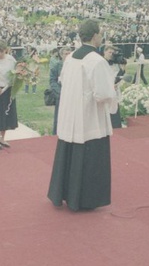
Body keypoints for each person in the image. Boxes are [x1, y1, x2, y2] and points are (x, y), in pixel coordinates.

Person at [48, 19, 119, 211]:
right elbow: (103, 94)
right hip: (88, 118)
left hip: (71, 114)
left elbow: (63, 80)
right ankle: (84, 199)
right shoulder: (96, 61)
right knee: (88, 155)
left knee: (70, 153)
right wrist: (115, 89)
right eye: (101, 33)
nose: (102, 37)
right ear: (95, 35)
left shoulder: (71, 57)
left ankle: (62, 193)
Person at [49, 46, 71, 135]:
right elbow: (52, 81)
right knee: (59, 117)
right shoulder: (57, 66)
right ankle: (57, 134)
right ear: (61, 55)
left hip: (73, 95)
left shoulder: (75, 66)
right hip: (61, 95)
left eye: (70, 54)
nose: (68, 56)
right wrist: (60, 93)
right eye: (66, 54)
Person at [103, 45, 125, 129]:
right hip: (105, 89)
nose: (111, 54)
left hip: (115, 88)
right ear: (104, 52)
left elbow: (119, 75)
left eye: (113, 53)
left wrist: (122, 70)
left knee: (115, 107)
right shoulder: (101, 62)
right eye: (109, 52)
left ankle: (116, 125)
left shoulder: (115, 63)